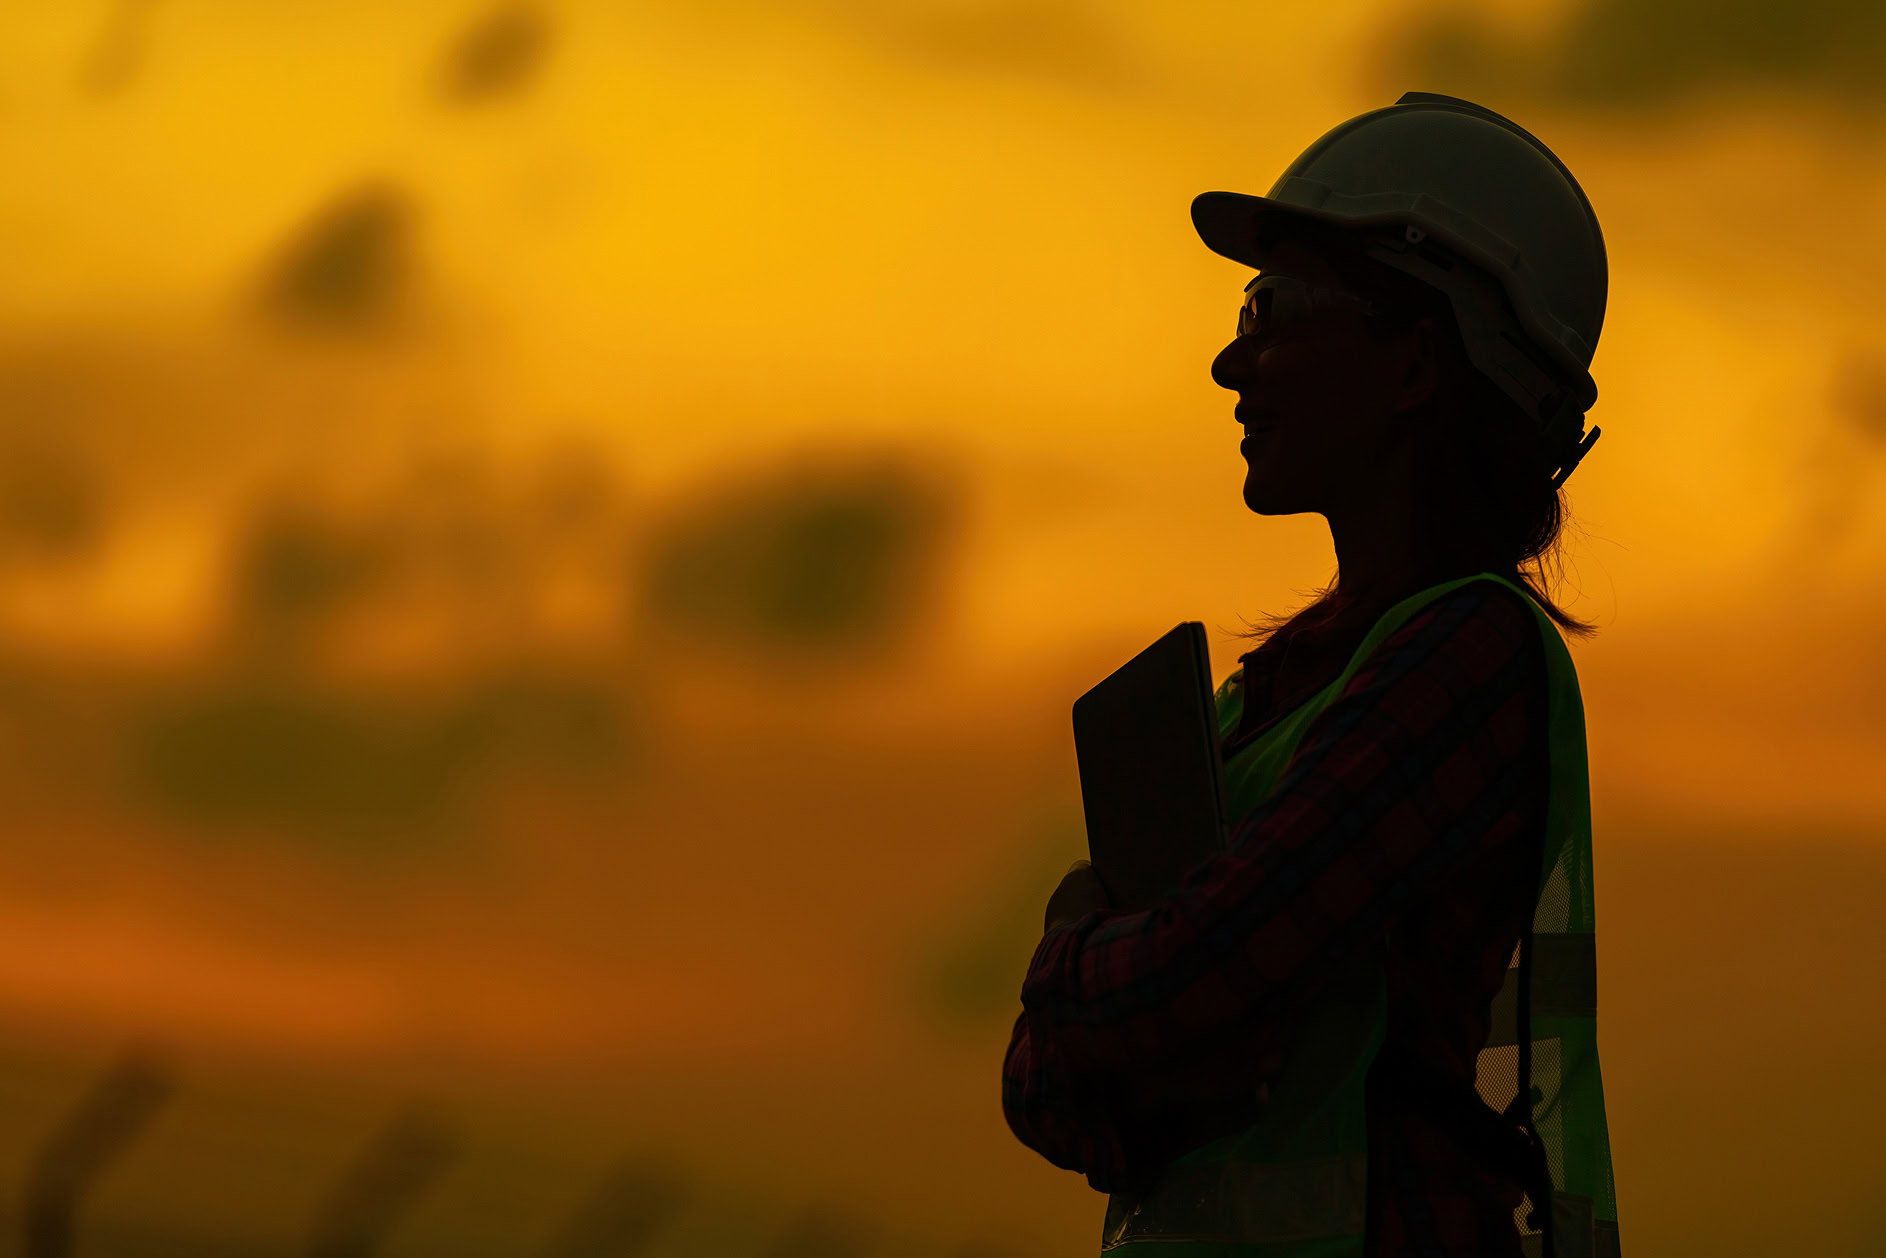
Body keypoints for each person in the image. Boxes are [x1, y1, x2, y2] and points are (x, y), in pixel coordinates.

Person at [1002, 94, 1621, 1258]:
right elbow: (1042, 1090)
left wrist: (1064, 946)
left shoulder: (1467, 658)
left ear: (1415, 361)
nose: (1229, 360)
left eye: (1271, 310)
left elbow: (1198, 969)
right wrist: (1124, 1012)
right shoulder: (1267, 696)